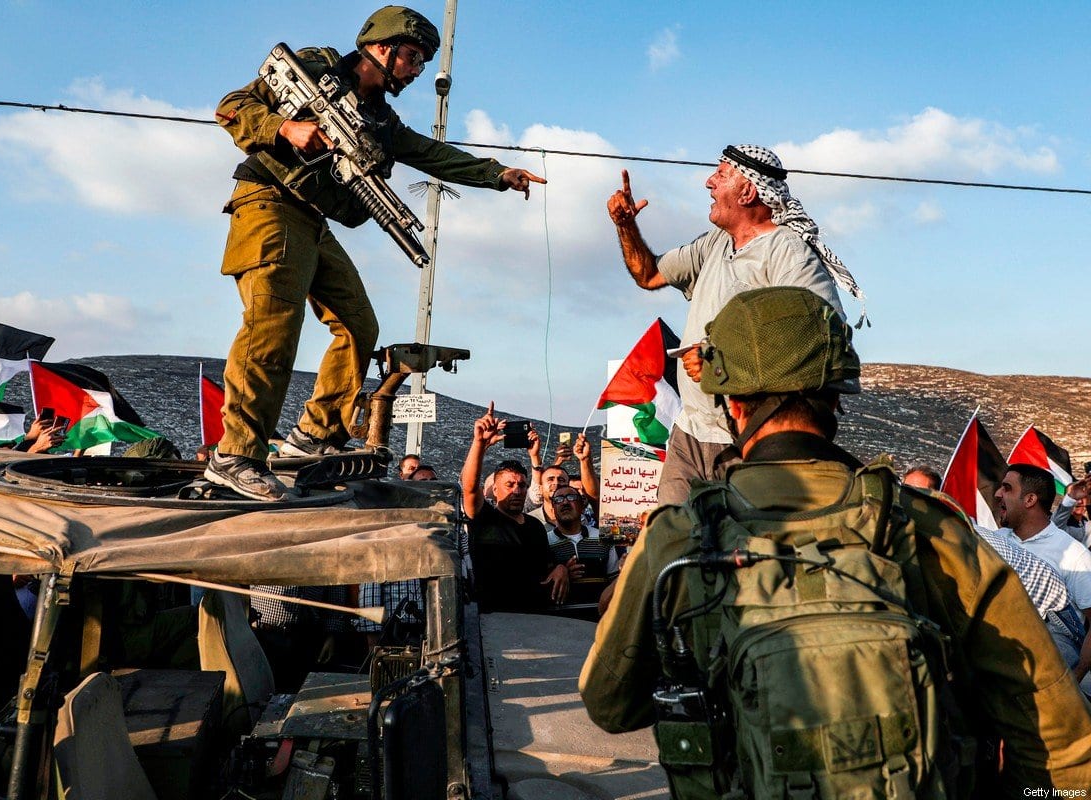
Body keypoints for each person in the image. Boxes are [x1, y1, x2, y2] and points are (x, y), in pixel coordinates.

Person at [580, 287, 1091, 795]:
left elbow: (609, 704)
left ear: (732, 404)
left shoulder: (678, 536)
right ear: (837, 397)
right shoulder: (928, 528)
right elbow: (1059, 734)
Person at [205, 6, 546, 502]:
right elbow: (232, 105)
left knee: (358, 325)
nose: (415, 71)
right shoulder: (316, 69)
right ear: (379, 48)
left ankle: (313, 436)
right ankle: (235, 454)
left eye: (424, 62)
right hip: (268, 204)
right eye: (411, 57)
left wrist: (497, 174)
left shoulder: (382, 122)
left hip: (311, 220)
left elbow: (432, 154)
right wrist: (285, 128)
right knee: (272, 329)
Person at [607, 145, 864, 506]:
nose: (708, 182)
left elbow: (822, 343)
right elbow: (648, 274)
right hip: (690, 432)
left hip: (752, 442)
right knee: (670, 541)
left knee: (743, 551)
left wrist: (720, 362)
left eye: (721, 174)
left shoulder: (788, 253)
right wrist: (625, 225)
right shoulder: (714, 244)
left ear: (748, 191)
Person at [461, 403, 576, 610]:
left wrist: (561, 569)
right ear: (494, 490)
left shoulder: (535, 526)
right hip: (494, 620)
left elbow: (547, 567)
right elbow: (469, 487)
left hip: (535, 619)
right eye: (509, 485)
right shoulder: (484, 518)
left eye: (522, 485)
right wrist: (479, 443)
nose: (517, 490)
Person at [995, 463, 1091, 682]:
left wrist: (1076, 677)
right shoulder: (995, 541)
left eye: (1007, 488)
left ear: (1030, 500)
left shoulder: (1074, 556)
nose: (998, 494)